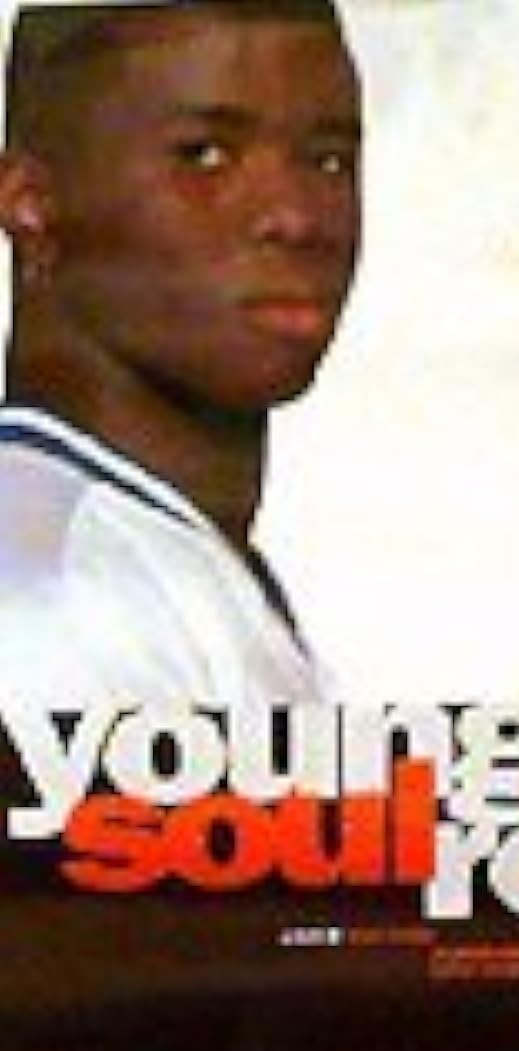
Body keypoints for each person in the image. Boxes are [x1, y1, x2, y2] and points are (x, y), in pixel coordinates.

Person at [0, 0, 362, 706]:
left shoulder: (147, 554)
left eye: (329, 160)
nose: (294, 218)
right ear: (31, 205)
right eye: (205, 155)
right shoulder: (50, 593)